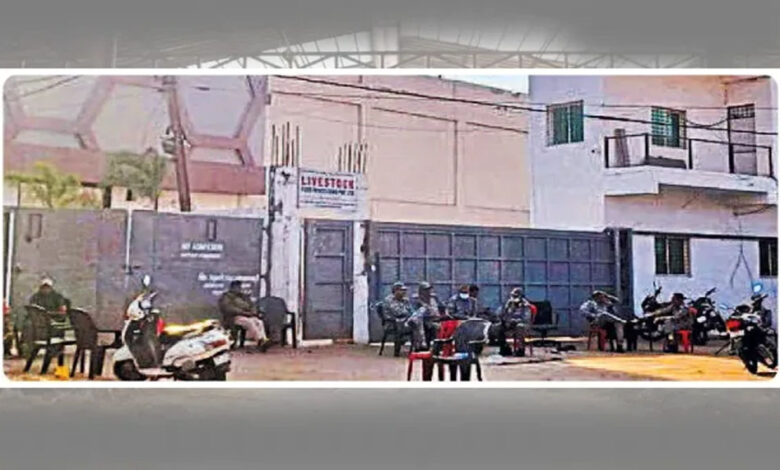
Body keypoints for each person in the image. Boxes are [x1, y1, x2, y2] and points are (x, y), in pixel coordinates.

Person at [218, 280, 271, 352]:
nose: (239, 289)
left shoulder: (244, 297)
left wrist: (253, 312)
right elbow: (228, 308)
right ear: (232, 288)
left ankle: (263, 340)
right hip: (234, 317)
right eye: (237, 287)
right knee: (249, 322)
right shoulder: (226, 297)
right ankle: (260, 340)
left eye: (239, 287)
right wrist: (242, 312)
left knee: (259, 322)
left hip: (248, 316)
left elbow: (252, 305)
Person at [498, 287, 536, 356]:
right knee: (500, 327)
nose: (514, 297)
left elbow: (526, 318)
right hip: (511, 323)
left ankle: (521, 349)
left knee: (519, 327)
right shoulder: (509, 303)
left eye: (515, 296)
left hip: (523, 324)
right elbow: (504, 314)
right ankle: (505, 348)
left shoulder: (525, 305)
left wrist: (516, 320)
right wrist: (506, 318)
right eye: (513, 296)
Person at [382, 281, 416, 352]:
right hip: (392, 323)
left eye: (404, 290)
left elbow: (412, 311)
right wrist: (408, 313)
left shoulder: (405, 300)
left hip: (404, 321)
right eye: (402, 290)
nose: (404, 292)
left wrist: (411, 314)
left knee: (419, 322)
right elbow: (398, 312)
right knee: (412, 323)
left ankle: (419, 346)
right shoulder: (389, 300)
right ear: (396, 291)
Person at [410, 281, 442, 349]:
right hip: (422, 321)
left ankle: (439, 347)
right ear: (421, 291)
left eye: (429, 289)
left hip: (435, 320)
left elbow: (442, 308)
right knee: (430, 327)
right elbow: (414, 314)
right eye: (426, 290)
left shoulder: (434, 298)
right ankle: (422, 345)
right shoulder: (416, 300)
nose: (428, 292)